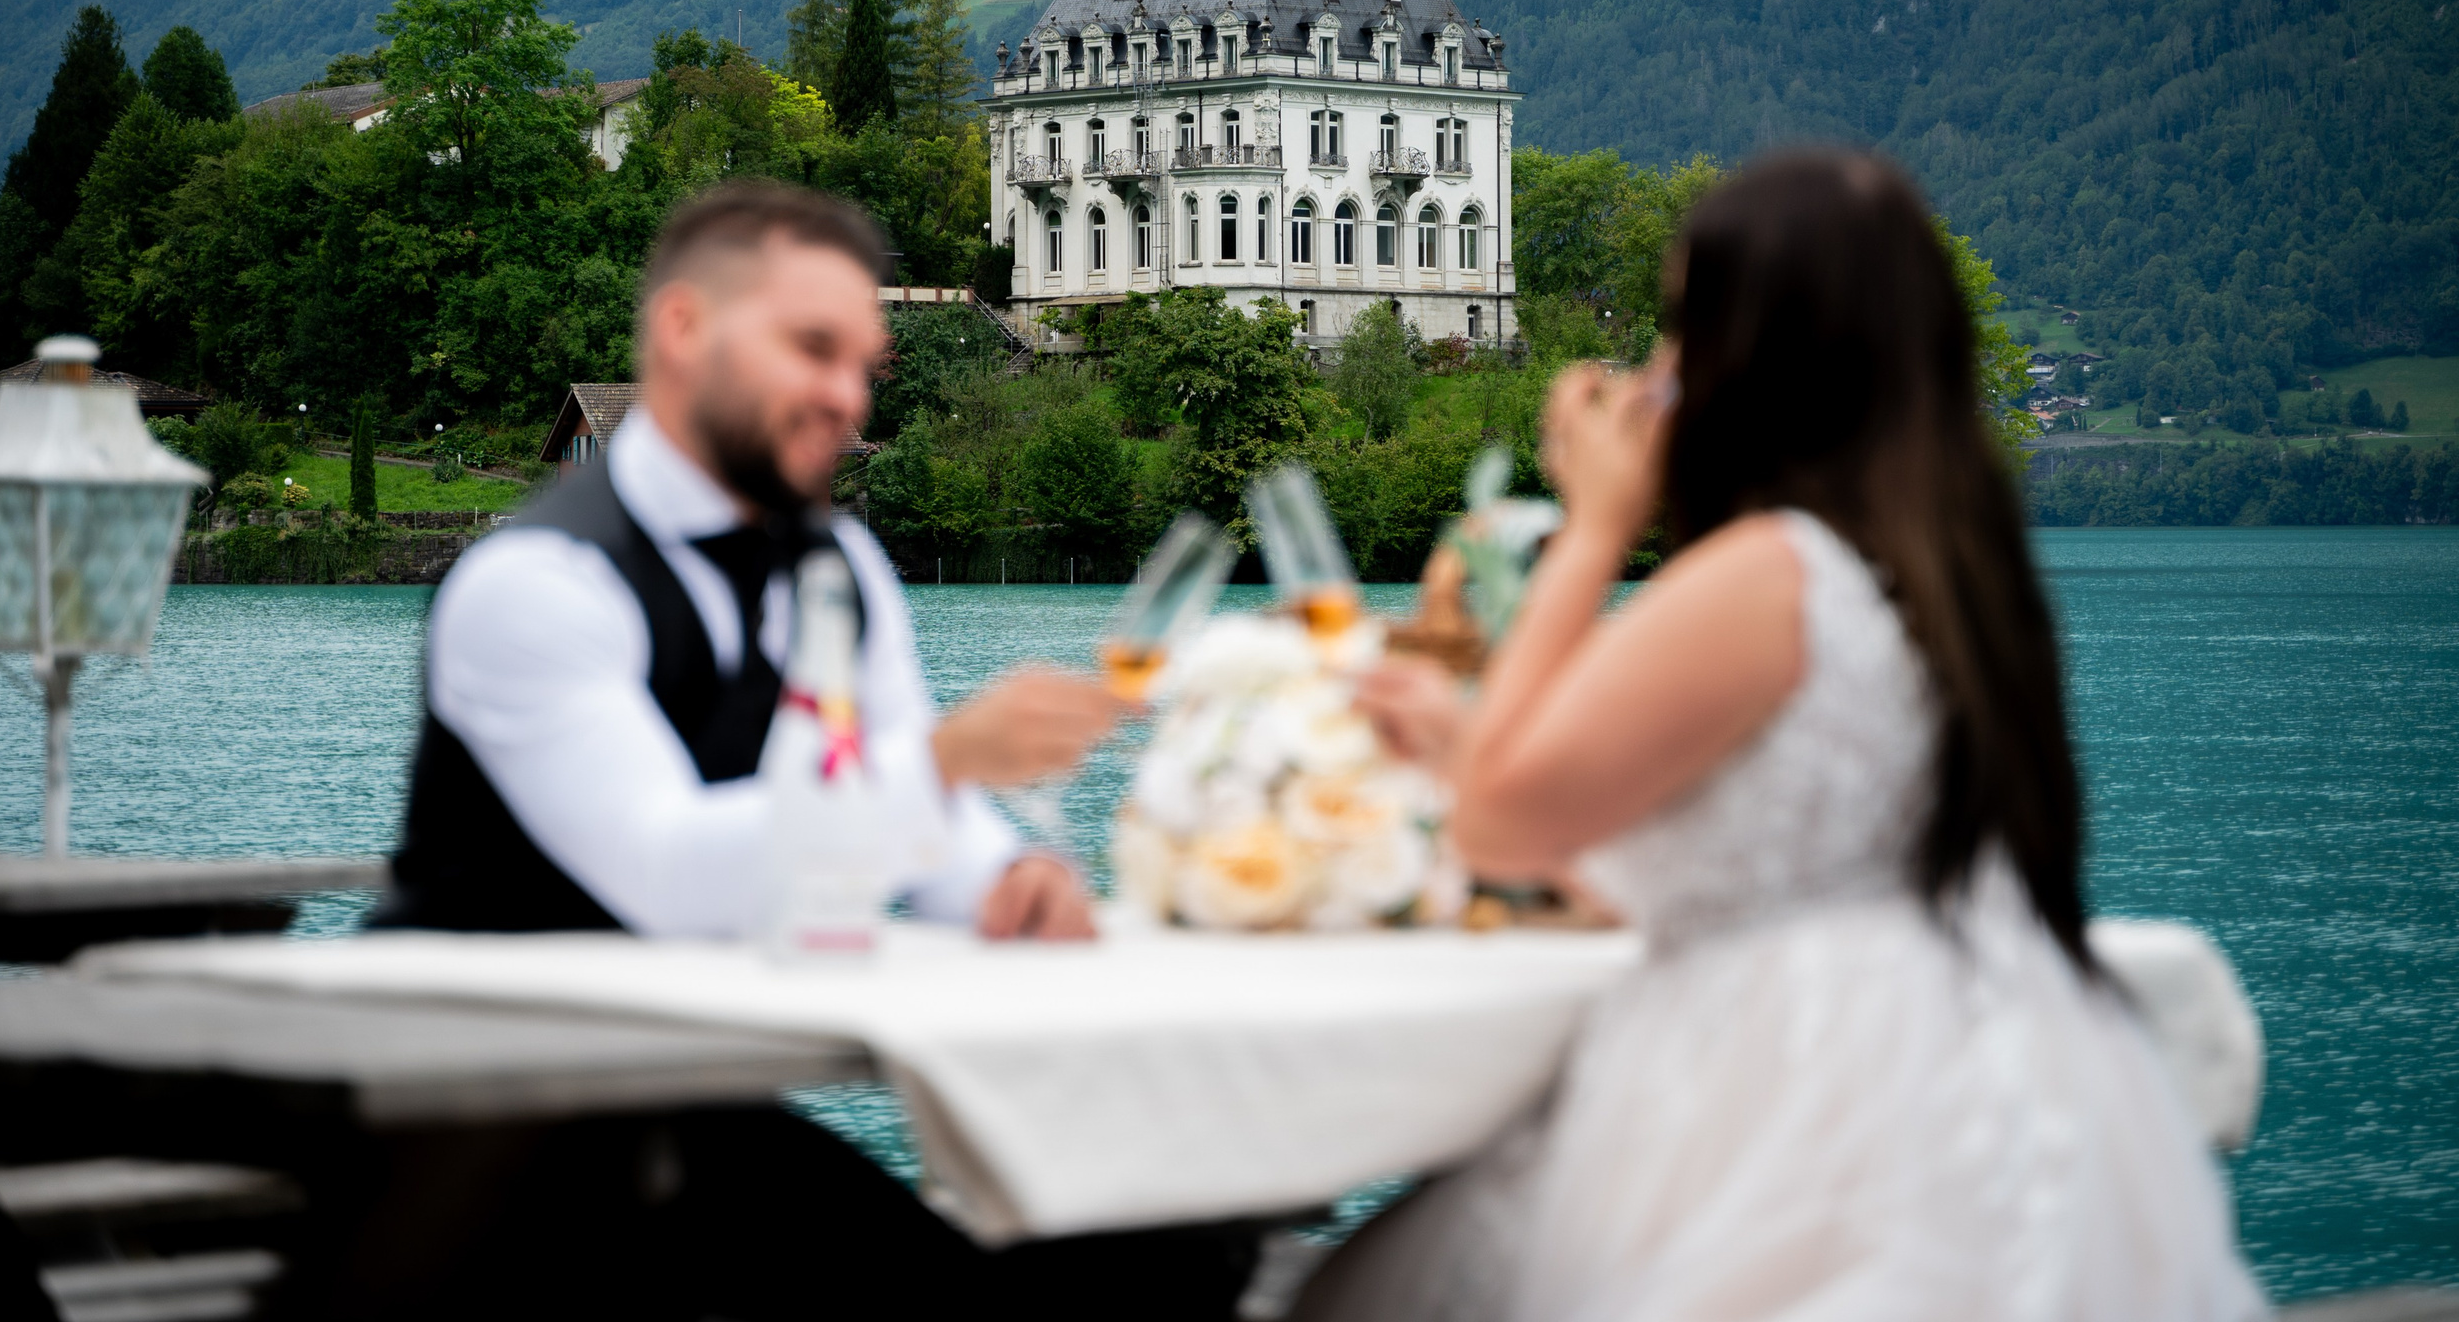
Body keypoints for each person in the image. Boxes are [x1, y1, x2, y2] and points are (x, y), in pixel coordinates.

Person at [1307, 151, 2264, 1321]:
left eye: (1675, 327)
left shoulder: (1766, 578)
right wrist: (1463, 743)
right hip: (1970, 1081)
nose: (1656, 373)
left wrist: (1596, 530)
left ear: (1751, 357)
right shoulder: (1948, 583)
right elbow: (1743, 847)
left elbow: (1497, 825)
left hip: (1785, 1101)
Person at [369, 180, 1255, 1319]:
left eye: (861, 366)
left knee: (1185, 1232)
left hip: (692, 1113)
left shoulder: (838, 567)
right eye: (812, 350)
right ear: (683, 331)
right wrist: (943, 762)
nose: (846, 396)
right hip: (479, 1149)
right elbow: (669, 875)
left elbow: (911, 818)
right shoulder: (535, 586)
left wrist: (997, 879)